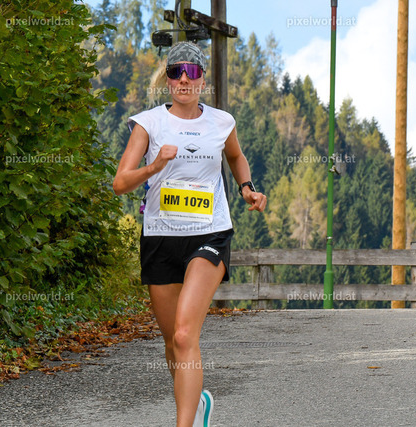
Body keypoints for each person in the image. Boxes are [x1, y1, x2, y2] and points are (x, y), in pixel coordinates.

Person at [113, 41, 267, 427]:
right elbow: (120, 183)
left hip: (209, 234)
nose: (184, 78)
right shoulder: (148, 124)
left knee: (185, 335)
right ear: (167, 80)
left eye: (192, 71)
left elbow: (235, 155)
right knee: (172, 342)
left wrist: (247, 188)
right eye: (176, 71)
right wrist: (153, 167)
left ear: (202, 80)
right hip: (160, 237)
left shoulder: (221, 122)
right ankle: (197, 406)